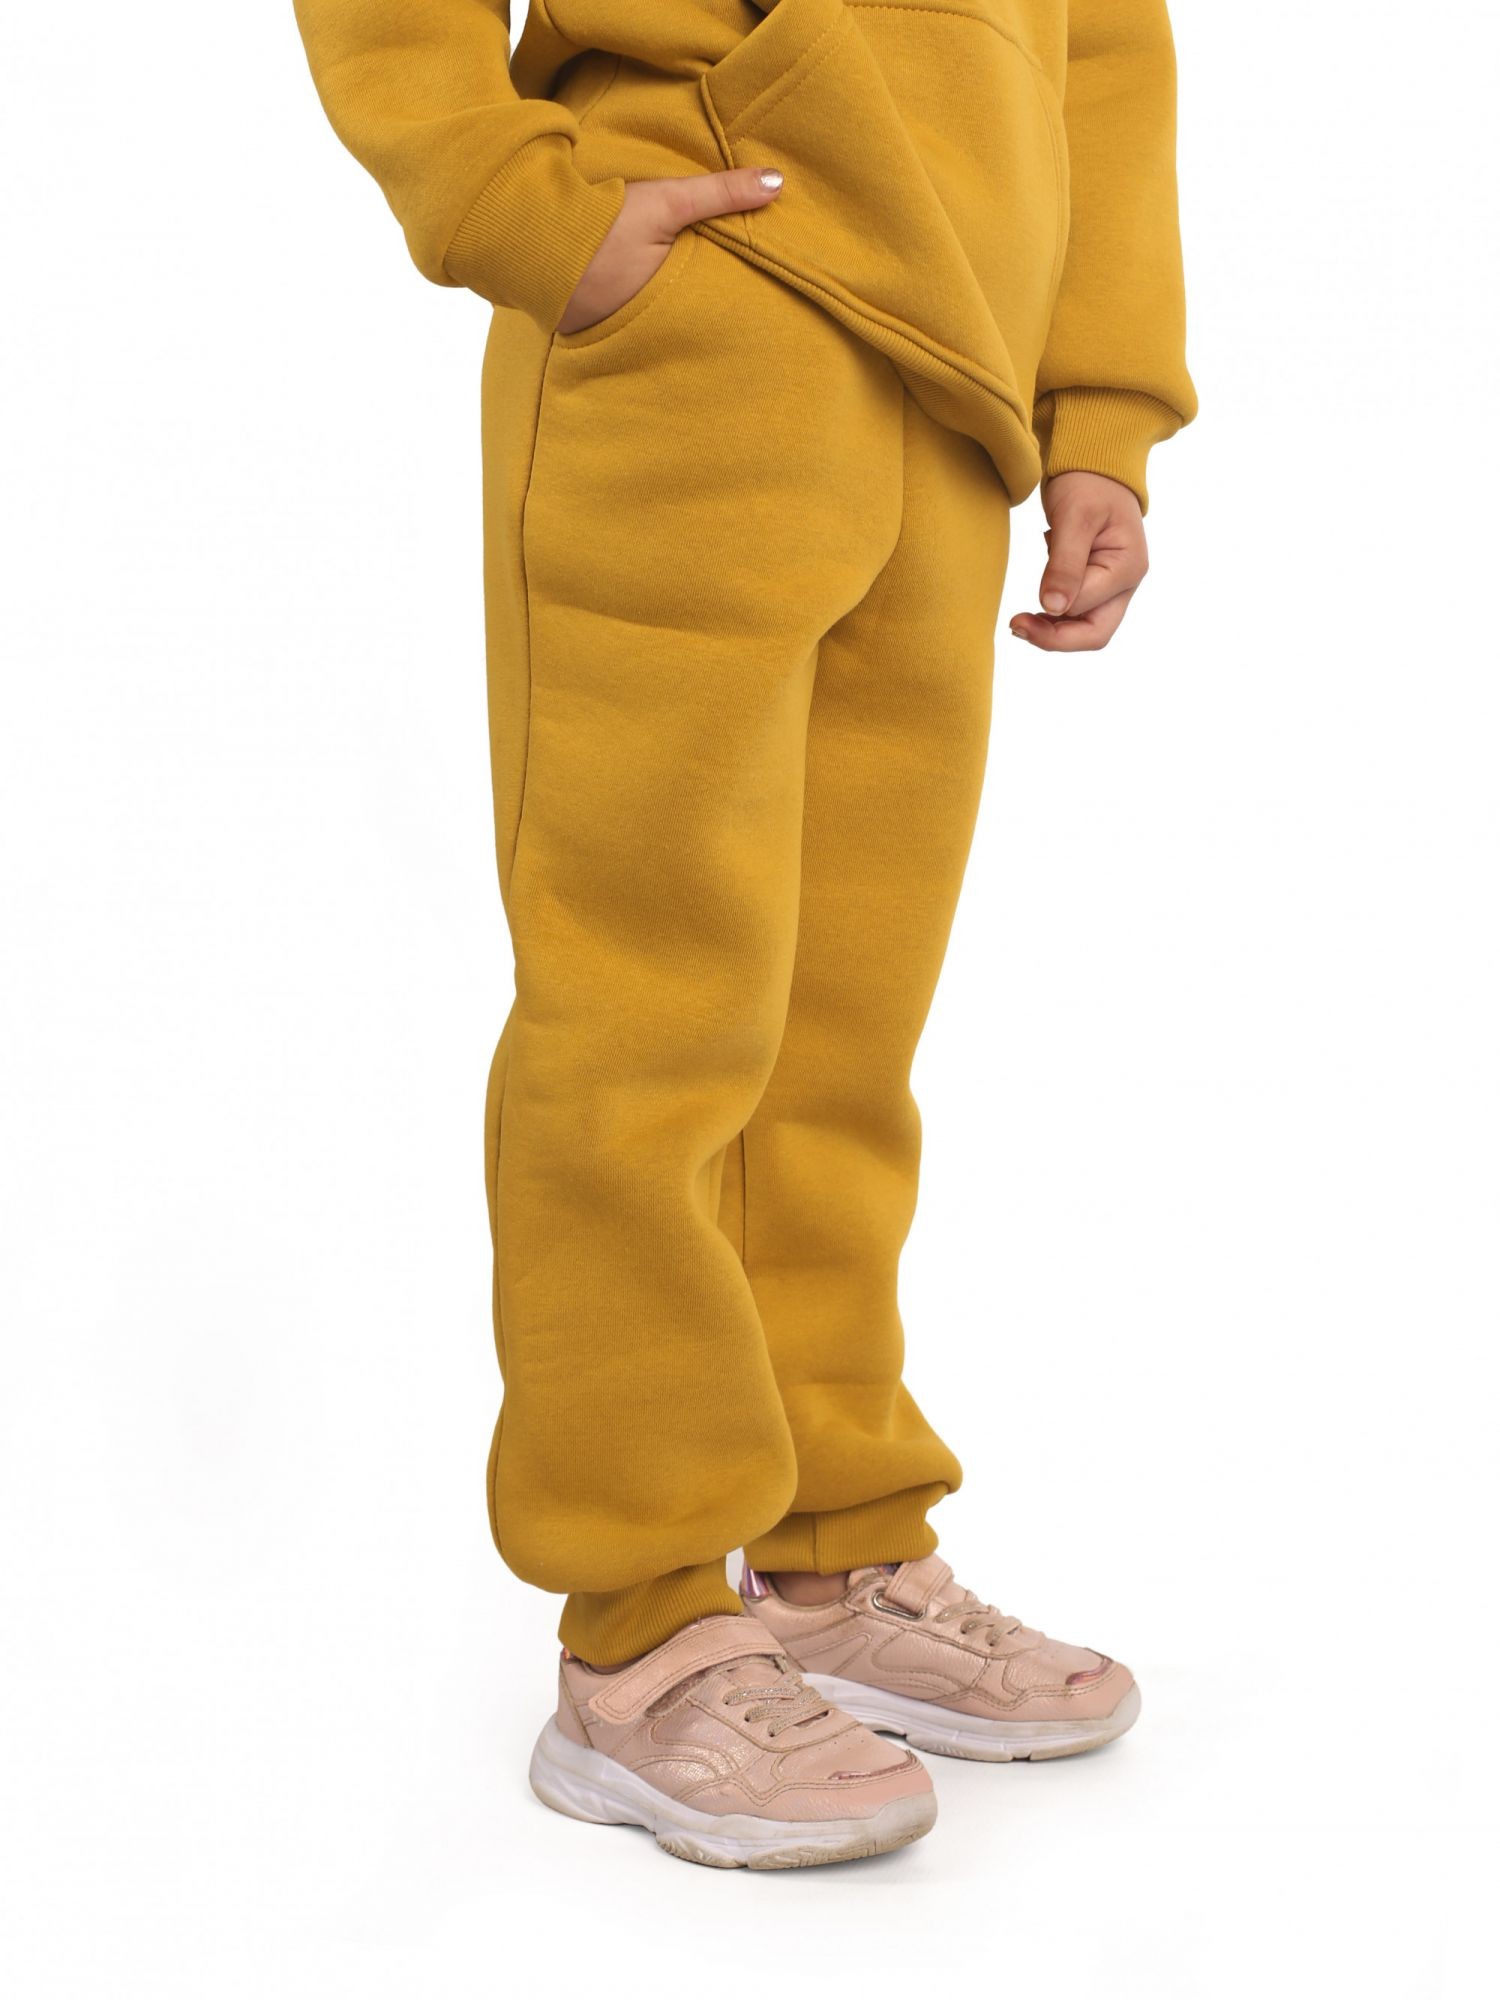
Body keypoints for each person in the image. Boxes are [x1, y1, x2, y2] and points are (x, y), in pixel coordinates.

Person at [294, 0, 1195, 1869]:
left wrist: (1099, 408)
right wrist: (513, 194)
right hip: (701, 313)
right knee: (645, 1026)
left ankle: (829, 1552)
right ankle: (640, 1629)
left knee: (839, 1044)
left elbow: (1105, 37)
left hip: (954, 380)